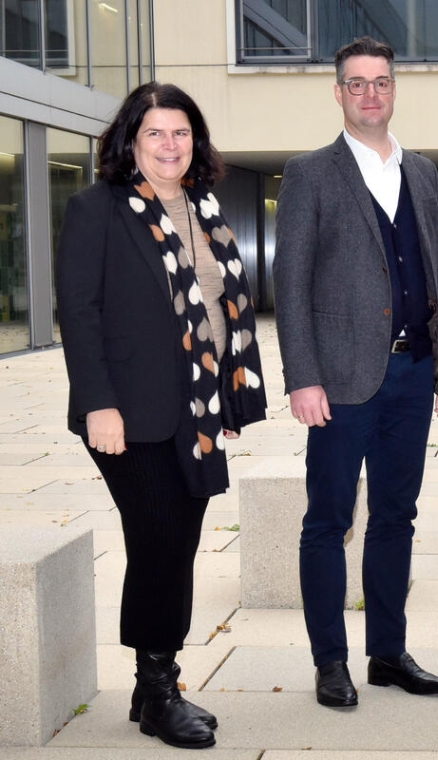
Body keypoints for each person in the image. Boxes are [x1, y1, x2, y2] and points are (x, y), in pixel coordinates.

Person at [56, 82, 267, 750]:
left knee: (178, 543)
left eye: (181, 133)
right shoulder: (99, 208)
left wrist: (228, 399)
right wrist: (97, 404)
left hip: (196, 409)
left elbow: (223, 313)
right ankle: (157, 690)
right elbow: (79, 312)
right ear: (130, 141)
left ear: (195, 143)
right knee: (159, 541)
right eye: (155, 134)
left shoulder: (207, 209)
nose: (170, 146)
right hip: (127, 410)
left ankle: (155, 684)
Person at [273, 36, 438, 709]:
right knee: (327, 520)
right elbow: (289, 280)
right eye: (356, 83)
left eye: (380, 82)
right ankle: (331, 661)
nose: (370, 94)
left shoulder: (422, 171)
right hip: (341, 380)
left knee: (396, 517)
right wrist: (302, 376)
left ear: (393, 89)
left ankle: (387, 653)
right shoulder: (311, 173)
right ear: (338, 93)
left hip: (413, 375)